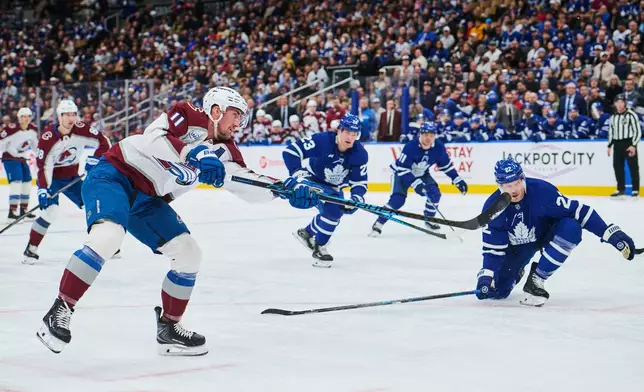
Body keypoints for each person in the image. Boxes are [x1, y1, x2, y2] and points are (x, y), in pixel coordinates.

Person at [36, 87, 319, 356]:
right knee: (108, 237)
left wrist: (284, 190)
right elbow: (153, 137)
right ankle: (60, 310)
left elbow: (245, 182)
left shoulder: (227, 151)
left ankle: (169, 327)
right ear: (217, 110)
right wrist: (192, 153)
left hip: (148, 200)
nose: (240, 123)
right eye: (237, 115)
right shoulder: (187, 114)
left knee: (188, 253)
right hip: (115, 174)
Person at [476, 158, 637, 307]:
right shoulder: (492, 208)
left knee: (571, 228)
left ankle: (536, 279)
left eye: (517, 183)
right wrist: (486, 276)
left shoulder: (543, 192)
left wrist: (610, 234)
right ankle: (517, 271)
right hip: (517, 248)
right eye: (508, 186)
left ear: (523, 179)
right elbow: (493, 251)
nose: (514, 190)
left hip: (545, 234)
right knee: (498, 292)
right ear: (499, 186)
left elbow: (579, 212)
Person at [24, 100, 111, 264]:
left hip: (73, 177)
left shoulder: (82, 128)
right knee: (51, 211)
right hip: (53, 179)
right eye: (67, 115)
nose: (72, 118)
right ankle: (31, 249)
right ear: (60, 116)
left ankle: (103, 244)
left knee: (92, 204)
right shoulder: (48, 137)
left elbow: (104, 142)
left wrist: (95, 158)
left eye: (74, 114)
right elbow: (44, 165)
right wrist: (43, 188)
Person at [283, 113, 368, 268]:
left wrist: (357, 198)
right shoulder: (322, 140)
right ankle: (319, 248)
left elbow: (359, 182)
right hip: (312, 181)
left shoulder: (359, 154)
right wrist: (297, 173)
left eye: (354, 134)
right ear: (339, 131)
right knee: (333, 211)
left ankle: (307, 232)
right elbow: (290, 152)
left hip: (333, 187)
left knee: (339, 211)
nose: (350, 137)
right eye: (347, 132)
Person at [369, 122, 467, 236]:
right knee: (397, 201)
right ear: (420, 135)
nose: (428, 138)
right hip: (402, 173)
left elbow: (446, 166)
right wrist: (416, 184)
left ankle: (429, 220)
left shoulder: (438, 147)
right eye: (425, 135)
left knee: (435, 194)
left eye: (431, 135)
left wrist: (457, 179)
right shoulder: (411, 147)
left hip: (422, 173)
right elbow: (402, 169)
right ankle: (378, 224)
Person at [0, 107, 38, 222]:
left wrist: (41, 156)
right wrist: (13, 152)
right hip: (10, 159)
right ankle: (12, 213)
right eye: (23, 116)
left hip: (22, 159)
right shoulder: (11, 129)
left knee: (27, 183)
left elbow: (36, 145)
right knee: (16, 183)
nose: (26, 119)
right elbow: (2, 143)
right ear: (19, 118)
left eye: (28, 116)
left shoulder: (33, 129)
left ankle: (23, 210)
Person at [607, 94, 641, 197]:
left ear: (625, 103)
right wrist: (609, 145)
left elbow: (637, 131)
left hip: (628, 143)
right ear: (615, 104)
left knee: (633, 167)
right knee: (617, 167)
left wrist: (633, 145)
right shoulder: (613, 116)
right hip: (617, 144)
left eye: (621, 102)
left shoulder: (631, 114)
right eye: (617, 102)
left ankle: (635, 189)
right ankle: (620, 188)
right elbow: (611, 132)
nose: (619, 104)